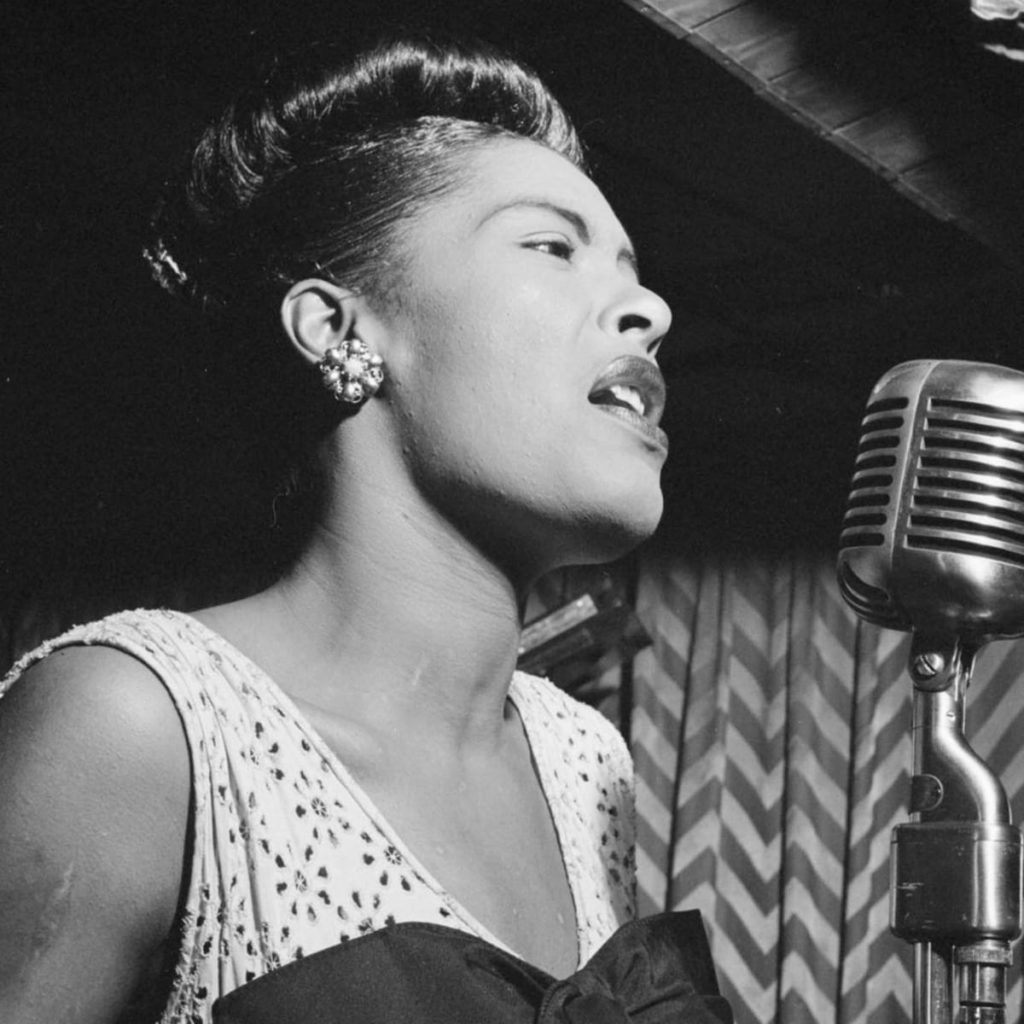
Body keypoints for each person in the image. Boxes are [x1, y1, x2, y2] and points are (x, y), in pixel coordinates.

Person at [0, 31, 702, 1024]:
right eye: (551, 246)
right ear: (340, 329)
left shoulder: (588, 762)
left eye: (631, 269)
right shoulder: (135, 726)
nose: (649, 309)